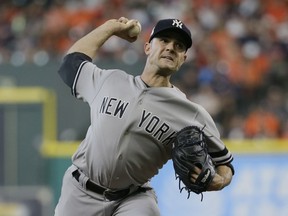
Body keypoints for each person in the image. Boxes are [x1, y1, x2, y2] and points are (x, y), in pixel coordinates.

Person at [55, 17, 234, 216]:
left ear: (183, 59)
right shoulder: (110, 81)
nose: (171, 48)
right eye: (164, 40)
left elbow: (225, 164)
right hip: (80, 191)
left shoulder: (191, 113)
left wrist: (220, 181)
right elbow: (70, 64)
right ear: (148, 48)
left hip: (132, 199)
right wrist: (111, 27)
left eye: (179, 45)